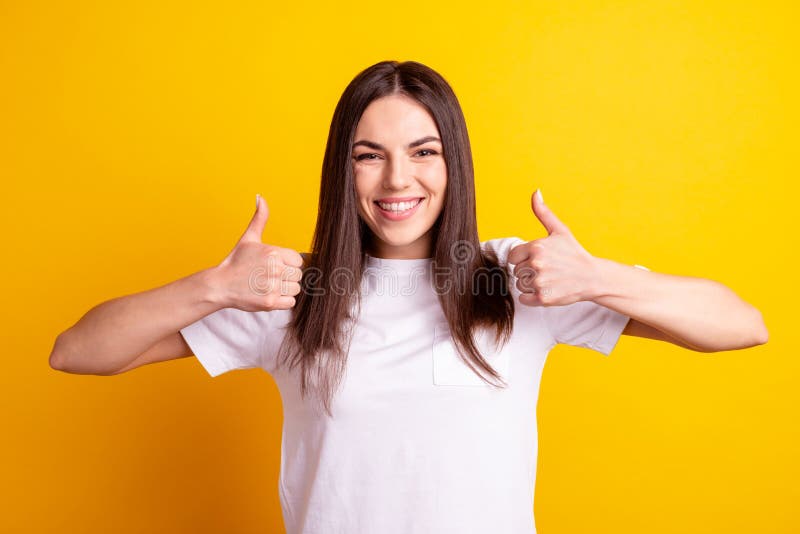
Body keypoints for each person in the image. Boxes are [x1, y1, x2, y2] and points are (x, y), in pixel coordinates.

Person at [49, 60, 769, 534]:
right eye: (370, 155)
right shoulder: (293, 294)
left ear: (453, 164)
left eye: (424, 152)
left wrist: (602, 278)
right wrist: (212, 288)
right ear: (344, 170)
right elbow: (78, 351)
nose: (398, 180)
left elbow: (742, 325)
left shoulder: (516, 278)